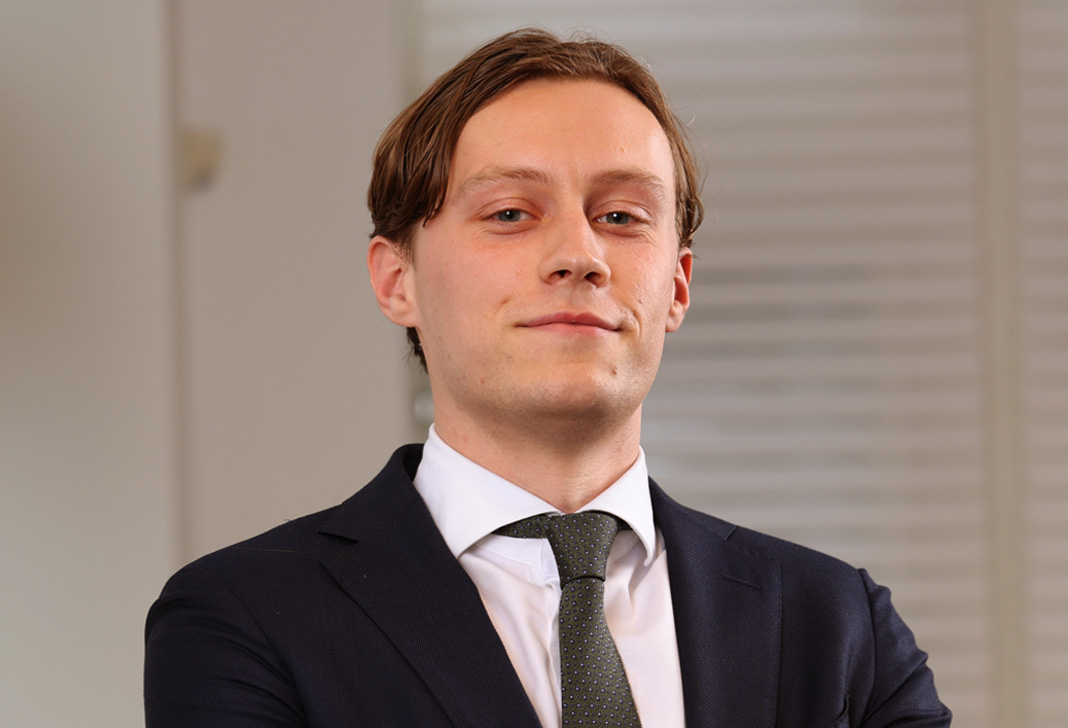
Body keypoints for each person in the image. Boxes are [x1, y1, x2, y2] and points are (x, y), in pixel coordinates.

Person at [145, 28, 952, 728]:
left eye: (621, 216)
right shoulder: (244, 619)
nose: (579, 255)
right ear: (398, 281)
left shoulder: (838, 623)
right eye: (510, 214)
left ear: (677, 287)